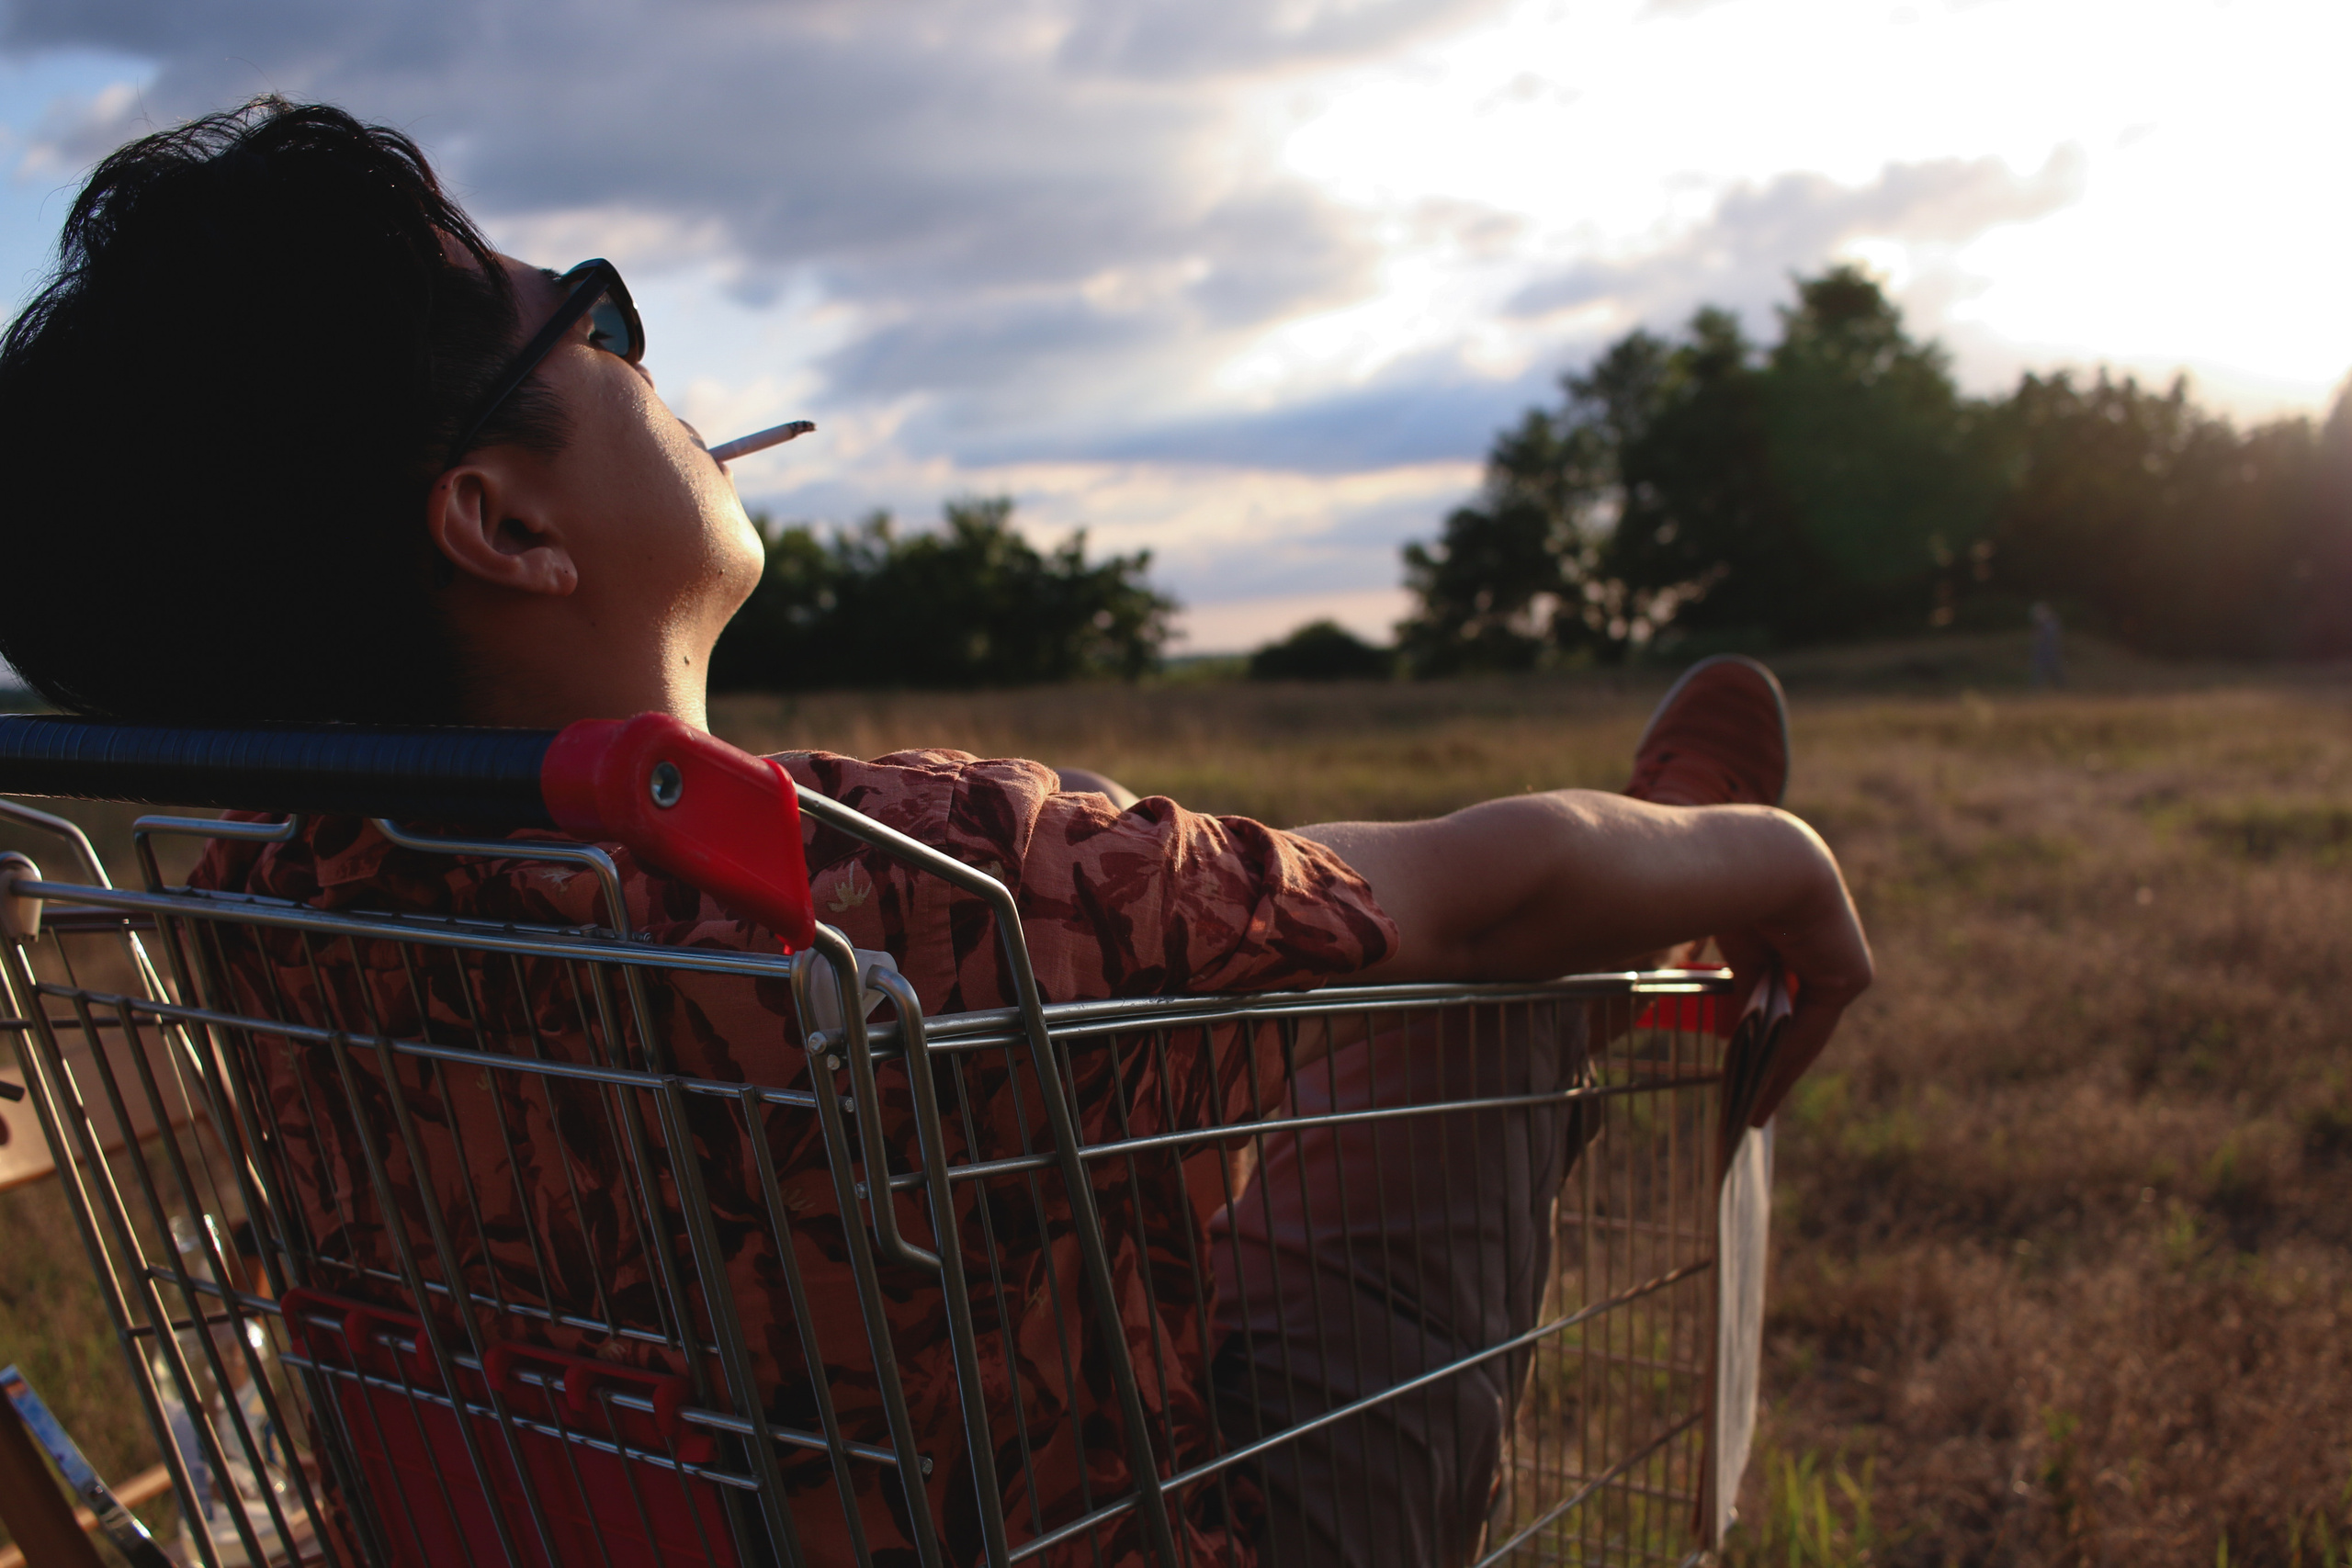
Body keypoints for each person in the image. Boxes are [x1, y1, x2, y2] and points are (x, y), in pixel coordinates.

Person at [0, 100, 1871, 1565]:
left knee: (1103, 1060)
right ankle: (1677, 855)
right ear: (503, 525)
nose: (648, 361)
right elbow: (1491, 874)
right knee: (1489, 958)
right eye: (596, 323)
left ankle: (1583, 879)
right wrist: (1781, 861)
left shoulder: (256, 915)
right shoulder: (913, 876)